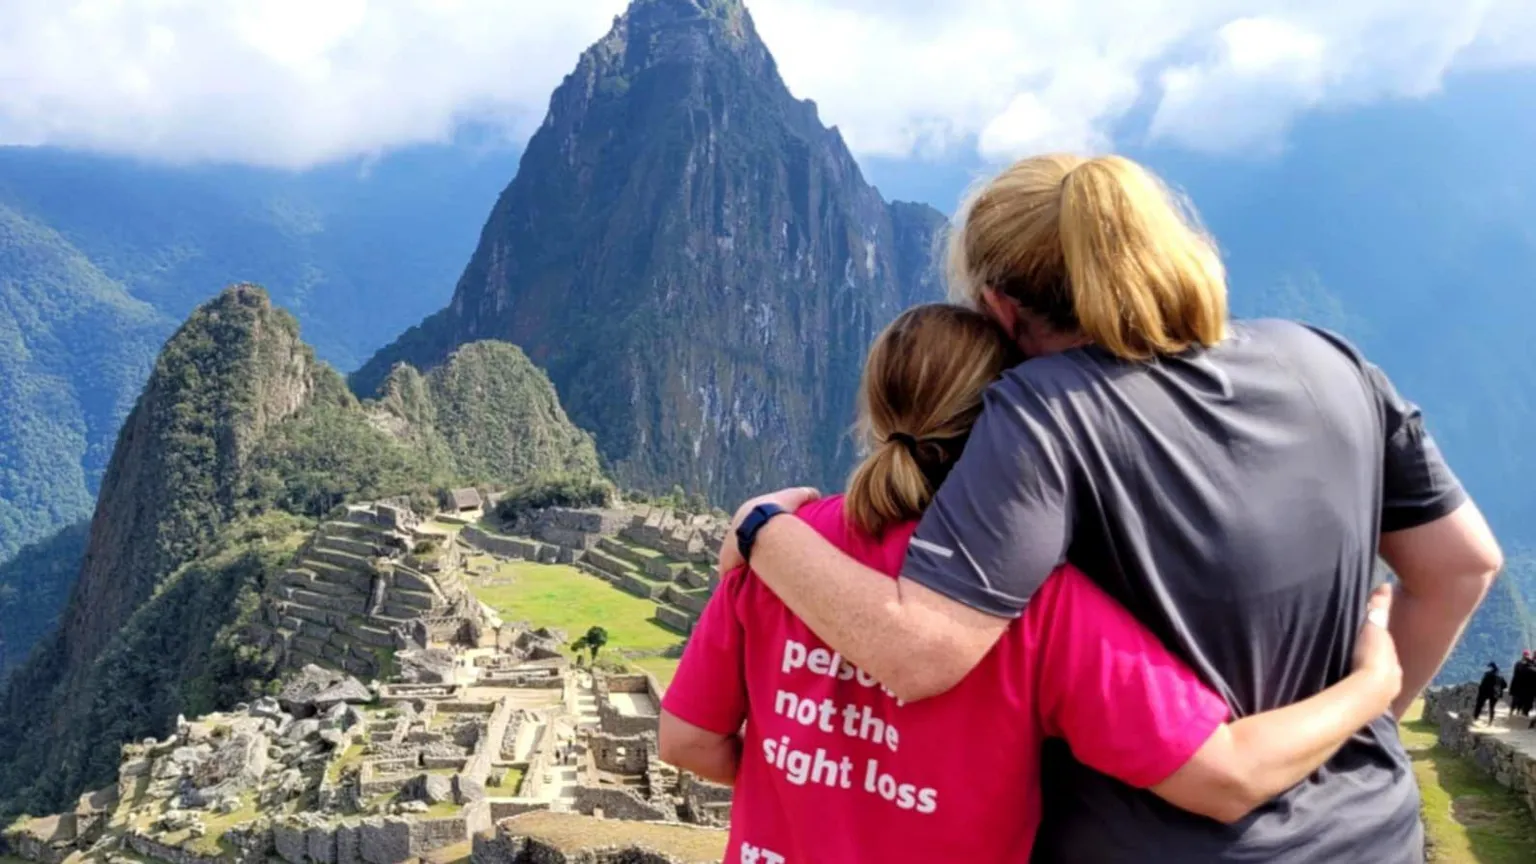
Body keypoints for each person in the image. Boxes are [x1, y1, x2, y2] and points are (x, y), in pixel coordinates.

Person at [718, 154, 1504, 863]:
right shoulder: (1332, 361)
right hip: (1373, 834)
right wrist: (1366, 709)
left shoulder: (1042, 409)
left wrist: (761, 529)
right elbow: (1463, 566)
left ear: (1001, 310)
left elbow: (919, 651)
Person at [660, 304, 1403, 862]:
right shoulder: (1036, 606)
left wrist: (810, 789)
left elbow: (689, 741)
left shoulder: (774, 556)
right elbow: (1228, 776)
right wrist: (1373, 682)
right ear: (1005, 420)